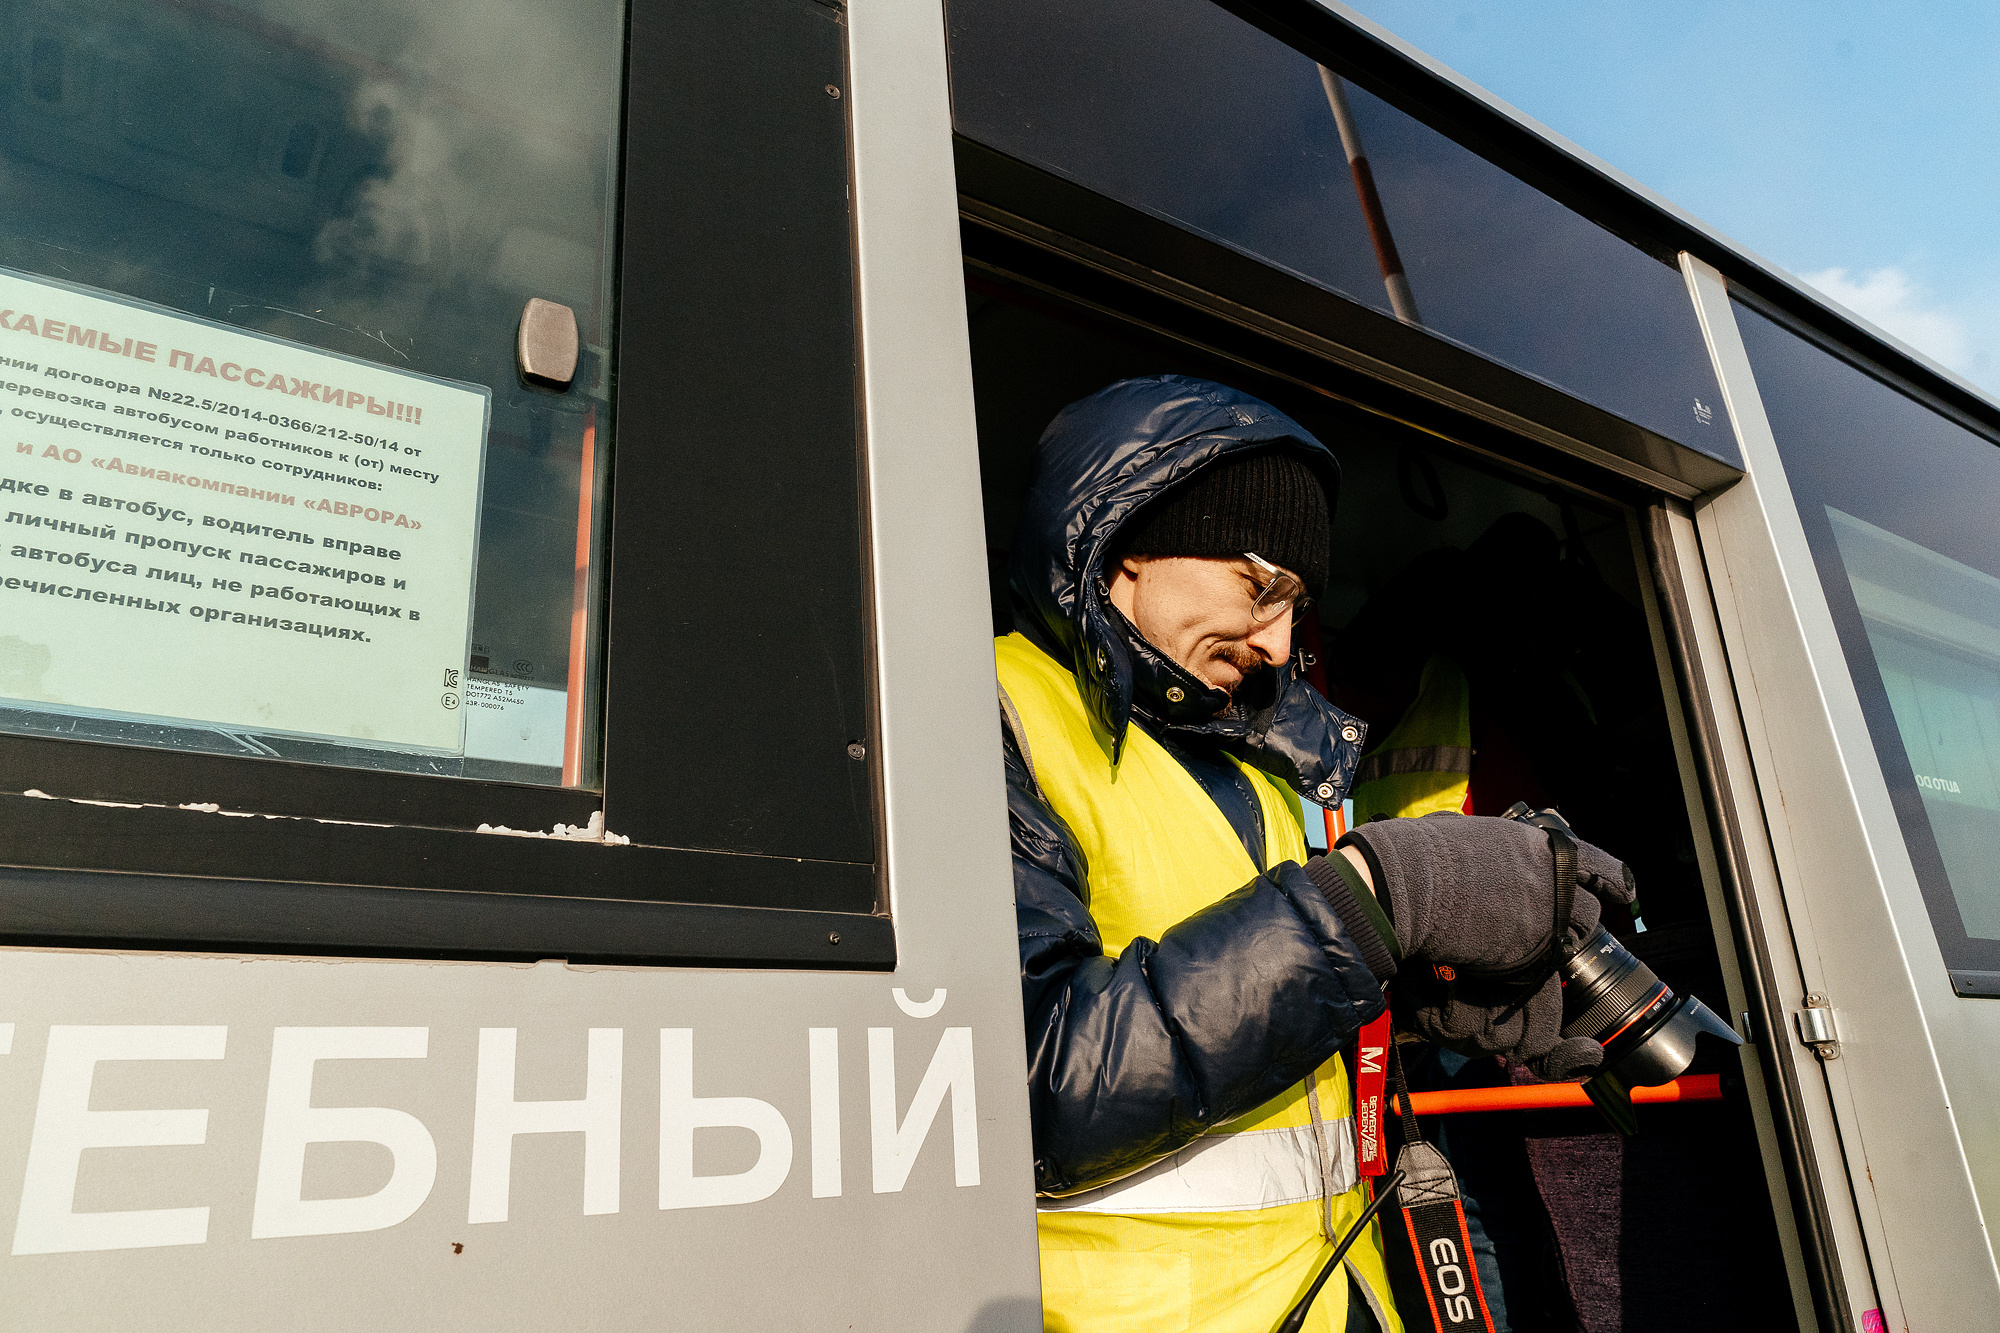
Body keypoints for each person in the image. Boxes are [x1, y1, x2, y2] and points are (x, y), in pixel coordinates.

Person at [1000, 375, 1637, 1333]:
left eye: (1297, 604)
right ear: (1126, 540)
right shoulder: (996, 710)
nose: (1279, 640)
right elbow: (1028, 1076)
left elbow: (1241, 1007)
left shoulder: (1249, 765)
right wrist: (1385, 890)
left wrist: (1420, 1007)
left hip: (1334, 1296)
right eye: (1259, 588)